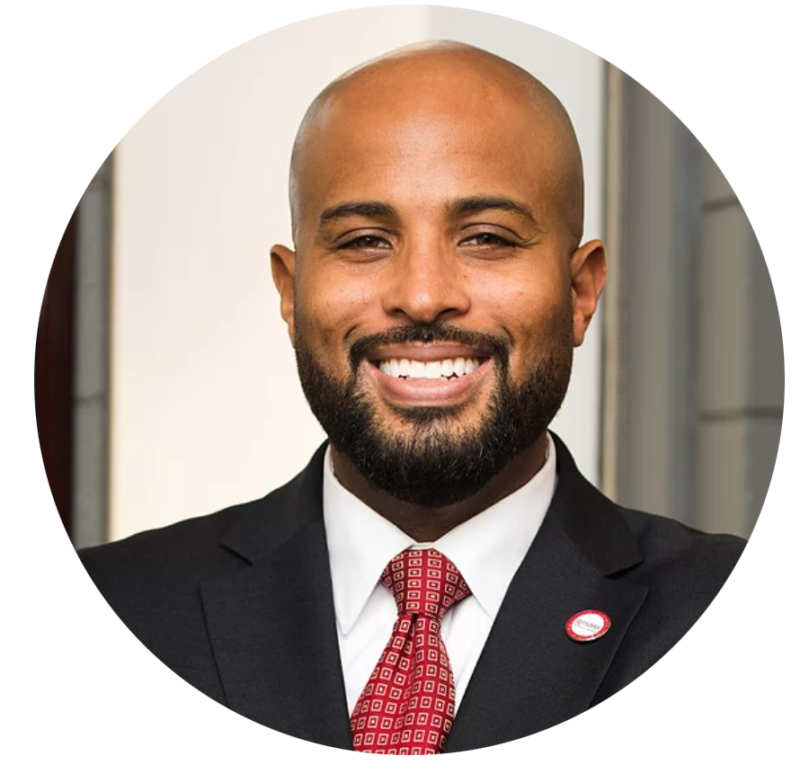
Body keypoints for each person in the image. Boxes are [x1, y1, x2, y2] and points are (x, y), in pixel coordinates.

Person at [77, 41, 746, 752]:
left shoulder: (705, 599)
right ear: (291, 292)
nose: (423, 295)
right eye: (366, 240)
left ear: (580, 290)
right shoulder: (126, 603)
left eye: (485, 237)